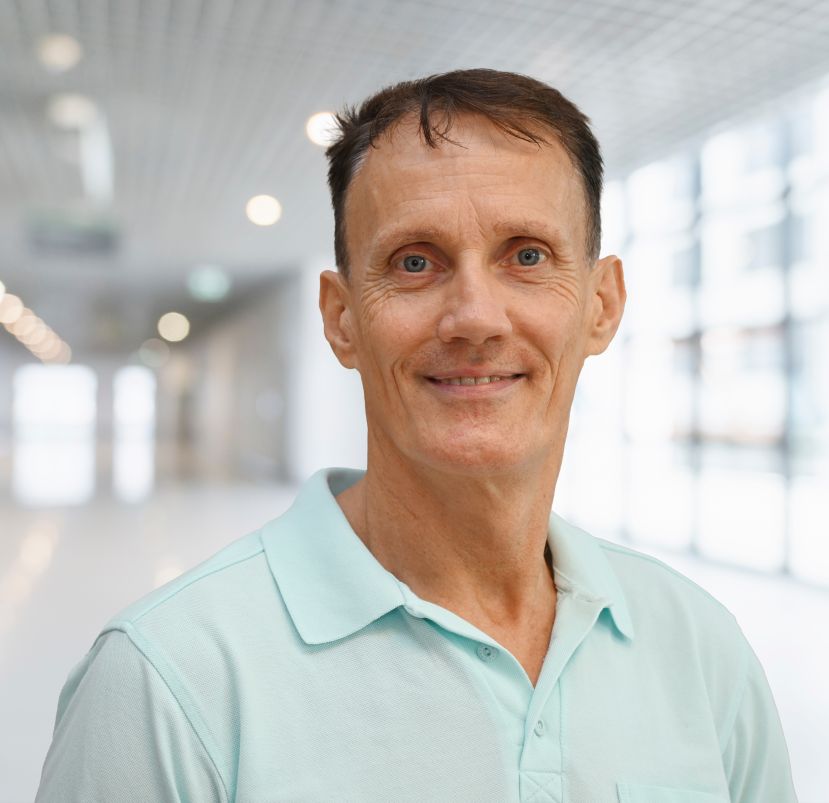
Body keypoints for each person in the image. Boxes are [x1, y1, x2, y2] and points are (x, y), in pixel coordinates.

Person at [37, 69, 798, 803]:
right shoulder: (167, 681)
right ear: (341, 318)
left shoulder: (701, 650)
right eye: (414, 262)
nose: (475, 317)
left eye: (526, 256)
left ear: (601, 304)